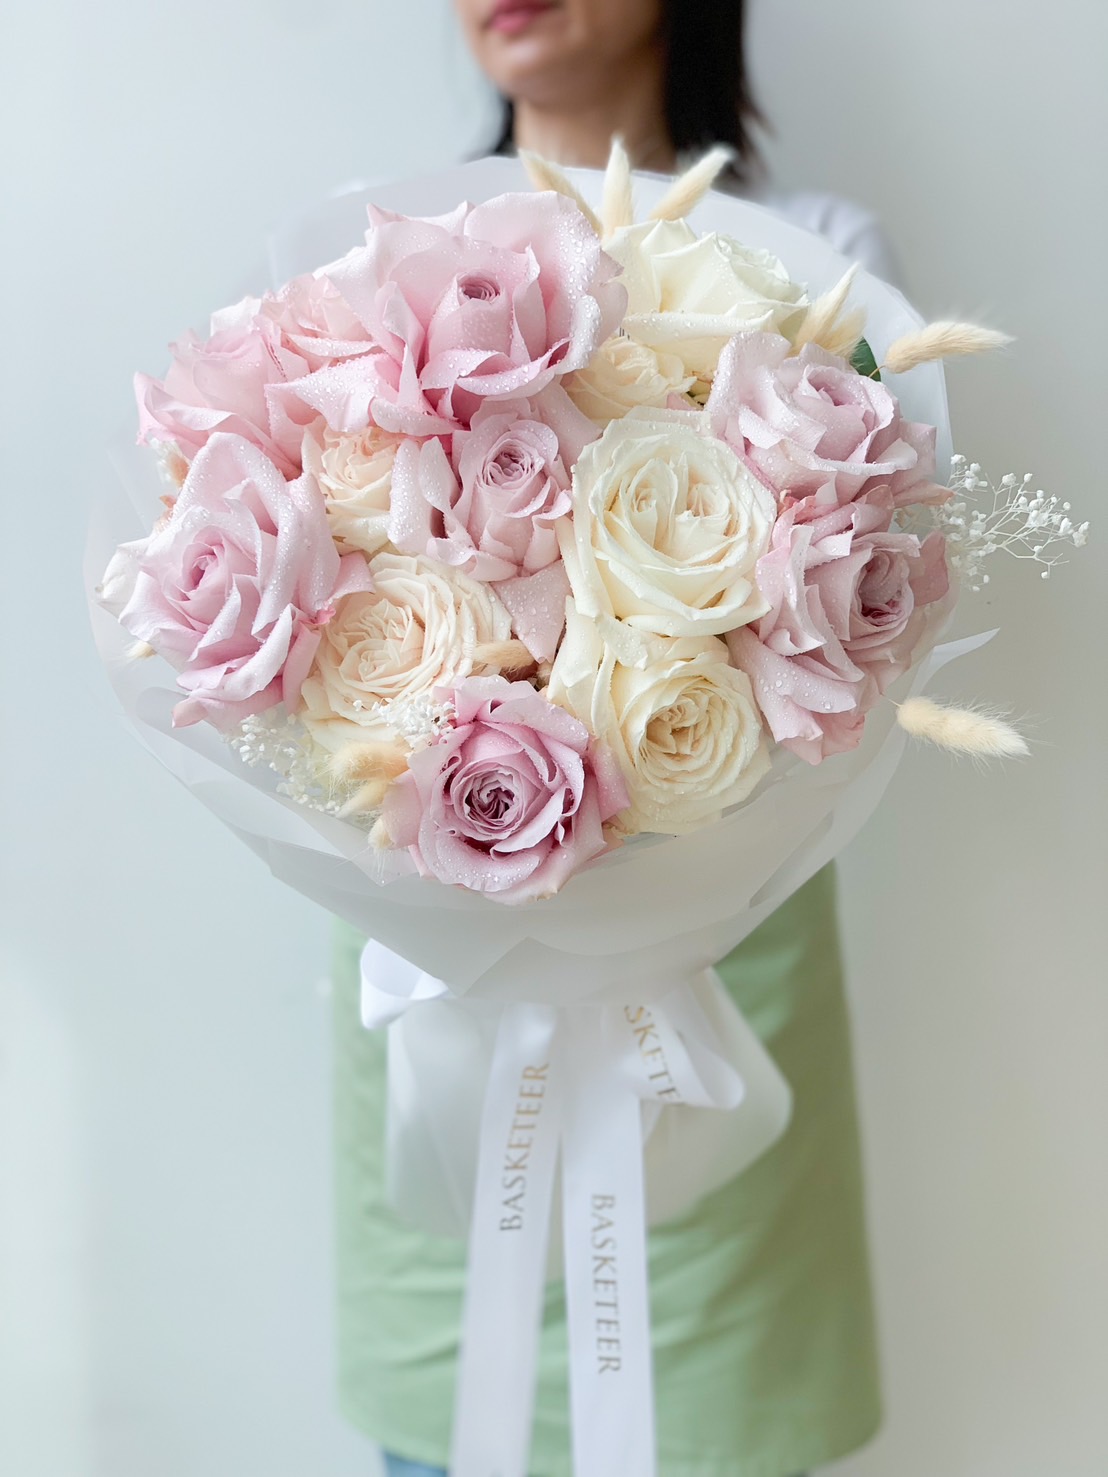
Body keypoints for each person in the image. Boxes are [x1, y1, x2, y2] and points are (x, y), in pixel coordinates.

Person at [331, 2, 891, 1473]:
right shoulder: (372, 275)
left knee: (714, 1419)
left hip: (717, 978)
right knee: (457, 1422)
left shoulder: (818, 263)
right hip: (446, 984)